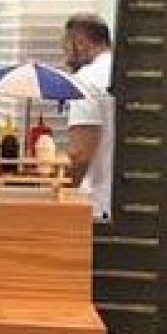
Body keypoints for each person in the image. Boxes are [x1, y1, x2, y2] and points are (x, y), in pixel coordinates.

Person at [62, 12, 114, 221]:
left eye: (66, 48)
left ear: (81, 43)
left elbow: (80, 154)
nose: (65, 58)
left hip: (97, 204)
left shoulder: (85, 80)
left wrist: (62, 194)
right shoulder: (123, 72)